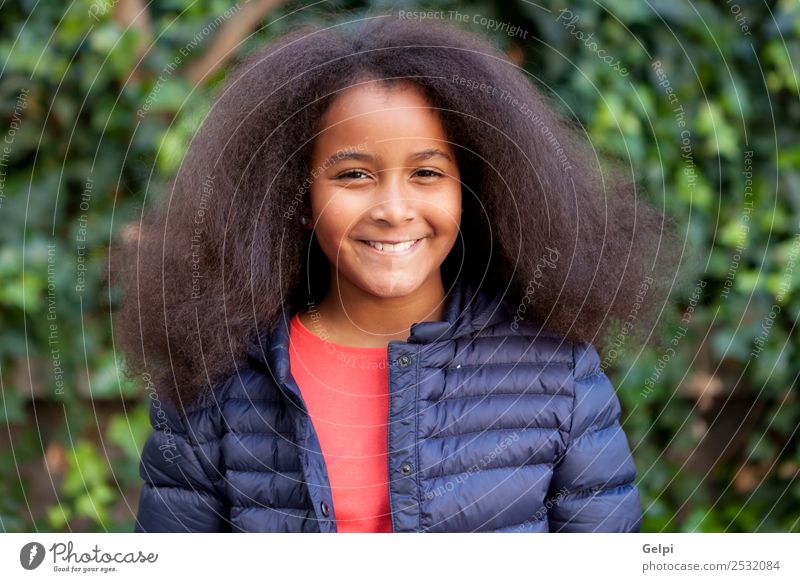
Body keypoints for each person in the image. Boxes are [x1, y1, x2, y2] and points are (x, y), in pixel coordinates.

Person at [116, 15, 680, 532]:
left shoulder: (558, 377)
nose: (393, 208)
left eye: (427, 173)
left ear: (470, 190)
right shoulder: (213, 386)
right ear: (300, 197)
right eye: (355, 174)